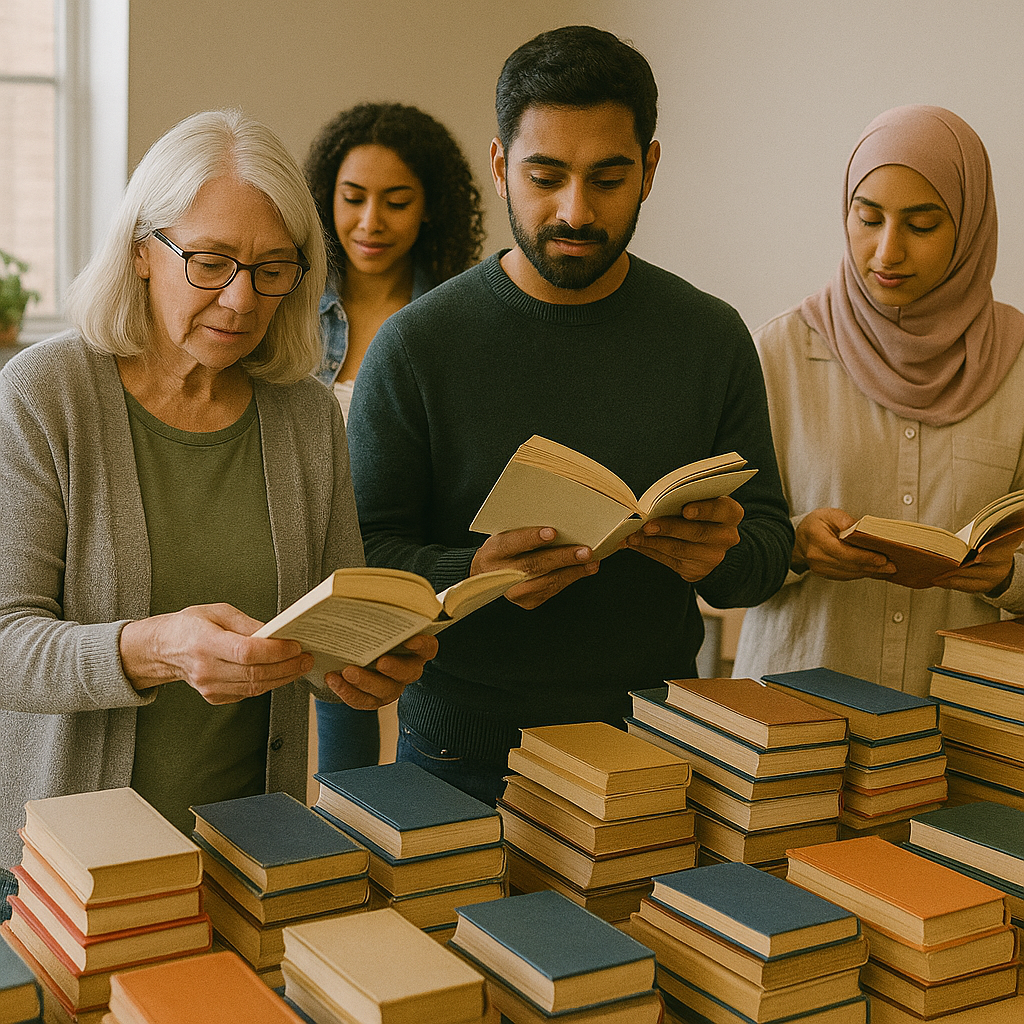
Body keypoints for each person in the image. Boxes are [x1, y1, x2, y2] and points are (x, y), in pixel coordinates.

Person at [0, 109, 437, 919]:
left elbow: (320, 644)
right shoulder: (45, 395)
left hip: (246, 857)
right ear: (141, 247)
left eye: (274, 269)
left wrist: (362, 671)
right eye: (210, 262)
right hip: (67, 870)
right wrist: (154, 647)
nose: (241, 299)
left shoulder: (306, 415)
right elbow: (5, 643)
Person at [346, 25, 794, 805]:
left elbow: (765, 549)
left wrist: (715, 554)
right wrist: (472, 577)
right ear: (498, 165)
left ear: (651, 168)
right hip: (461, 757)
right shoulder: (417, 346)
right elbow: (361, 560)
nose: (575, 211)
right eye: (545, 175)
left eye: (608, 178)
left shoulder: (710, 336)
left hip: (657, 752)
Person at [732, 105, 1024, 696]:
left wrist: (1009, 575)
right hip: (790, 727)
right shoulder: (776, 354)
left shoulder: (1019, 364)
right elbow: (721, 550)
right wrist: (793, 544)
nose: (887, 252)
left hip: (959, 729)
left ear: (969, 227)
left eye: (921, 226)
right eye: (868, 219)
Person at [303, 102, 485, 771]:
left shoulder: (450, 321)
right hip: (307, 553)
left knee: (423, 745)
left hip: (407, 560)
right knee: (326, 739)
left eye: (397, 201)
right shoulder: (289, 309)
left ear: (430, 207)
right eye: (352, 198)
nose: (370, 222)